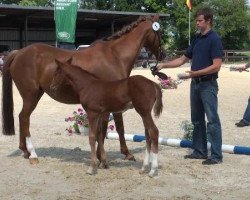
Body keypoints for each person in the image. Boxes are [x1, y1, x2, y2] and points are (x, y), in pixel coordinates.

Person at [157, 7, 223, 165]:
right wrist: (164, 65)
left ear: (208, 21)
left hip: (208, 84)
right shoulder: (197, 39)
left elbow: (217, 65)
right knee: (197, 120)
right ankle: (199, 151)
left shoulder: (215, 39)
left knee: (212, 120)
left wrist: (196, 73)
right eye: (196, 21)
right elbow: (182, 60)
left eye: (200, 21)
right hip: (195, 84)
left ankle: (216, 155)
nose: (197, 23)